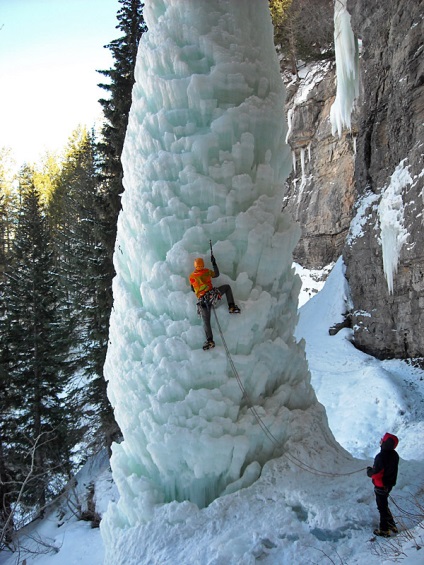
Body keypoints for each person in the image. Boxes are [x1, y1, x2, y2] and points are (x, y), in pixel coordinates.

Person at [189, 254, 240, 350]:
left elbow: (192, 289)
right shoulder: (207, 272)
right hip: (212, 295)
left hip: (202, 302)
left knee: (206, 321)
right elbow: (217, 274)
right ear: (203, 265)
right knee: (227, 287)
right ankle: (232, 307)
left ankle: (210, 341)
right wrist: (213, 262)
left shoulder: (191, 276)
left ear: (195, 265)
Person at [367, 432, 400, 537]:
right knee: (384, 505)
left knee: (382, 507)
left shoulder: (380, 457)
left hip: (380, 485)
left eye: (383, 440)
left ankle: (384, 530)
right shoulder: (394, 455)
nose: (381, 441)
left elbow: (376, 474)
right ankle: (391, 525)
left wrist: (369, 472)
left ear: (386, 443)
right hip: (389, 485)